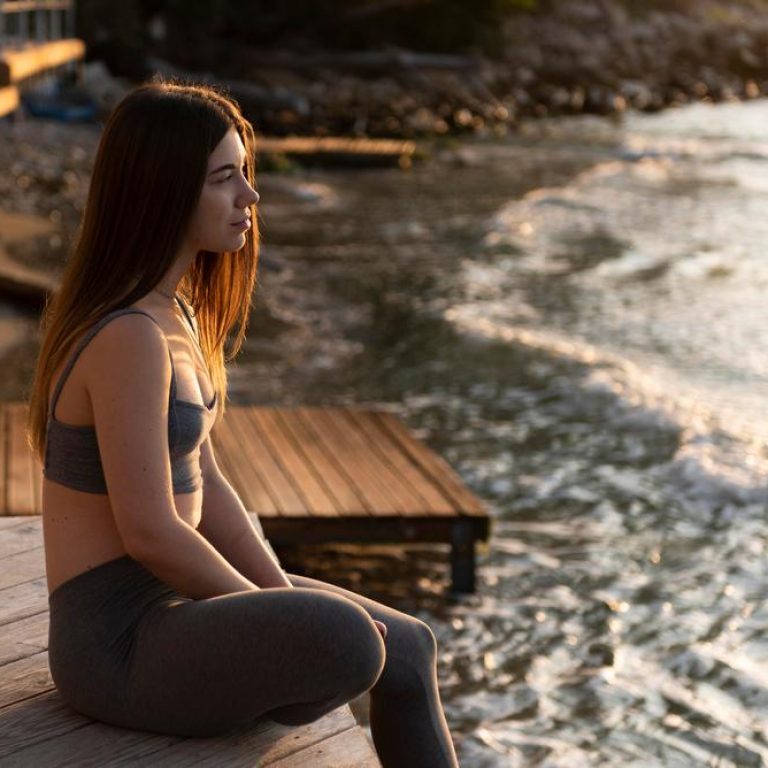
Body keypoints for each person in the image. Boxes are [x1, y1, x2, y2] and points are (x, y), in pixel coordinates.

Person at [25, 77, 460, 767]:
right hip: (117, 644)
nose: (250, 196)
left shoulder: (175, 313)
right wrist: (281, 619)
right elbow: (150, 531)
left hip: (178, 608)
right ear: (164, 192)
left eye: (245, 173)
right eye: (224, 178)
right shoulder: (127, 336)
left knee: (410, 646)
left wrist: (277, 599)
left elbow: (211, 485)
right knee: (350, 642)